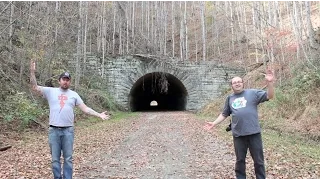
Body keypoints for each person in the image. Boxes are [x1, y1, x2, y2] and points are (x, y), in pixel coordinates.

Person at [30, 59, 110, 179]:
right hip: (54, 130)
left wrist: (99, 115)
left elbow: (85, 109)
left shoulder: (74, 95)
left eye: (67, 80)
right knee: (55, 159)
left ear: (70, 82)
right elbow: (34, 87)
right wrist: (32, 72)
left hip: (68, 131)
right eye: (63, 79)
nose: (65, 82)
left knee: (68, 158)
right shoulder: (50, 91)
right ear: (59, 81)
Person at [203, 68, 275, 179]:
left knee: (259, 161)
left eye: (239, 82)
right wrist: (214, 123)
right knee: (240, 161)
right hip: (238, 135)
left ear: (243, 83)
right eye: (234, 82)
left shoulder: (253, 93)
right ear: (232, 86)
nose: (237, 84)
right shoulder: (229, 98)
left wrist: (269, 83)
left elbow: (270, 96)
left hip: (254, 133)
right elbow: (224, 114)